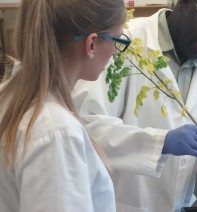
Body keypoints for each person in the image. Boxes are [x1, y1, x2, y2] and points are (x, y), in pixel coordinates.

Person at [74, 0, 197, 211]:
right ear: (184, 4)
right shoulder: (124, 43)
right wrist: (161, 143)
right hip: (119, 205)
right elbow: (88, 129)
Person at [0, 0, 129, 211]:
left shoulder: (8, 96)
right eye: (117, 40)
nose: (116, 52)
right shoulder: (55, 131)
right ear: (92, 44)